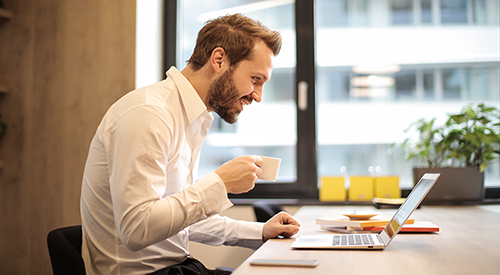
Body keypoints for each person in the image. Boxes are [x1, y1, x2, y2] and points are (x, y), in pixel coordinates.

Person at [80, 13, 300, 275]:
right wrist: (219, 183)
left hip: (176, 267)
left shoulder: (191, 118)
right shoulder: (149, 114)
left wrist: (260, 231)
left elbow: (177, 219)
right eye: (255, 79)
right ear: (219, 60)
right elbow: (137, 229)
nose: (258, 96)